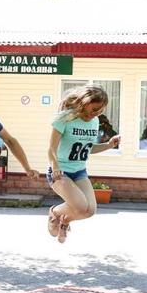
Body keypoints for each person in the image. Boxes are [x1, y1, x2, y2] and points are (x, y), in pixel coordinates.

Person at [46, 85, 121, 243]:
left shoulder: (94, 122)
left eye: (100, 111)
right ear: (83, 103)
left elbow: (87, 148)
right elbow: (51, 148)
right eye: (94, 109)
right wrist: (55, 166)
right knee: (80, 206)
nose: (95, 114)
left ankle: (65, 220)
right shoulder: (64, 118)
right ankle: (55, 213)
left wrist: (108, 145)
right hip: (60, 171)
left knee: (90, 211)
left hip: (79, 171)